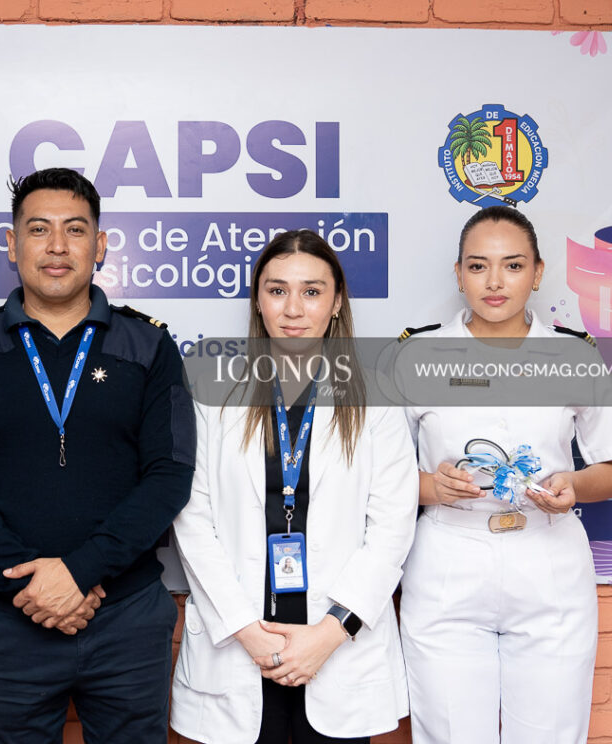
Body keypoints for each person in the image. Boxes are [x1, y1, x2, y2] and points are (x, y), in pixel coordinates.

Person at [0, 167, 195, 743]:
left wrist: (79, 572)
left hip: (126, 616)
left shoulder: (148, 345)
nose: (56, 247)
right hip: (11, 614)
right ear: (11, 242)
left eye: (75, 230)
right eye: (38, 228)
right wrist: (31, 585)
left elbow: (169, 475)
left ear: (99, 246)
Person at [398, 206, 612, 744]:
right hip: (447, 562)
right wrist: (432, 486)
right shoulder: (416, 356)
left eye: (513, 265)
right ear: (458, 273)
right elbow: (377, 474)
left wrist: (573, 485)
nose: (496, 282)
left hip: (548, 559)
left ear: (538, 272)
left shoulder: (574, 356)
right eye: (479, 267)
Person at [170, 229, 418, 744]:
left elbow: (392, 527)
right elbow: (192, 518)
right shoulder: (213, 390)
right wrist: (246, 631)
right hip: (239, 645)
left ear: (337, 301)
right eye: (277, 290)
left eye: (311, 291)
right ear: (258, 301)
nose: (293, 308)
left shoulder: (375, 396)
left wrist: (329, 635)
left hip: (335, 646)